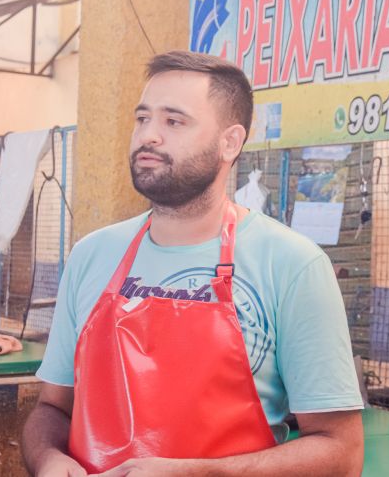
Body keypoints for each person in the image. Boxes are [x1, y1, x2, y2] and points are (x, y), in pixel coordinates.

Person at [22, 51, 365, 476]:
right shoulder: (91, 255)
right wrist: (49, 459)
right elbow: (53, 408)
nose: (148, 135)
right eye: (142, 118)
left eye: (174, 121)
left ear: (230, 142)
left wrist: (199, 474)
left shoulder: (292, 265)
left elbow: (341, 452)